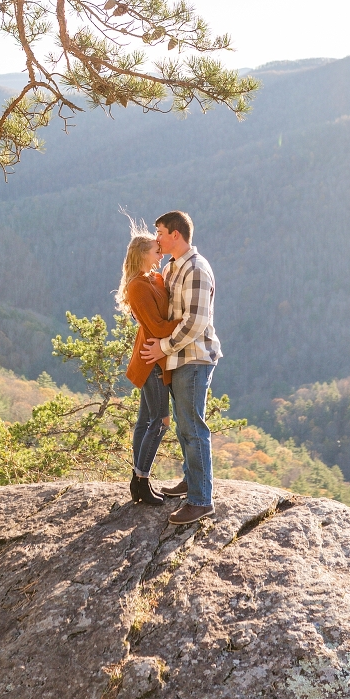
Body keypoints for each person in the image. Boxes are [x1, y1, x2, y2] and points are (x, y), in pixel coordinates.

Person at [141, 210, 222, 526]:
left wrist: (162, 346)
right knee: (184, 422)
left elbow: (196, 321)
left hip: (194, 357)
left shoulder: (197, 270)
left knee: (192, 425)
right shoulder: (175, 266)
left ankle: (201, 500)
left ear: (175, 234)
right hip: (181, 357)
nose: (156, 238)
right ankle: (191, 481)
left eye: (159, 232)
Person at [116, 229, 179, 507]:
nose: (161, 253)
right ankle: (141, 479)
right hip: (151, 359)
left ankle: (138, 481)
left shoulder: (154, 278)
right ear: (143, 254)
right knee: (160, 422)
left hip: (156, 356)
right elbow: (157, 327)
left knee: (145, 421)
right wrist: (190, 324)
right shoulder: (137, 286)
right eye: (156, 250)